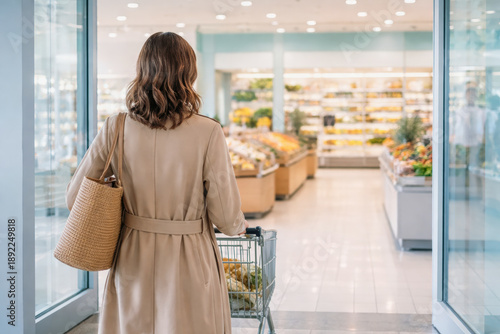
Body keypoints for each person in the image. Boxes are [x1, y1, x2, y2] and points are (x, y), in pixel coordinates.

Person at [65, 32, 248, 334]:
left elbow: (76, 198)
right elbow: (226, 216)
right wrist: (237, 225)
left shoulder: (116, 127)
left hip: (132, 252)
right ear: (188, 73)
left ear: (142, 71)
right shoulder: (208, 131)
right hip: (189, 255)